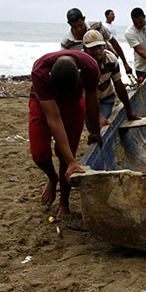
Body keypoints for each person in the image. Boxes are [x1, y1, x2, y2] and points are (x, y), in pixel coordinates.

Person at [28, 49, 103, 219]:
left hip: (74, 104)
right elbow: (53, 119)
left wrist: (95, 132)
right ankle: (53, 178)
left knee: (65, 156)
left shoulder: (90, 67)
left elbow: (92, 102)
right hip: (44, 104)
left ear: (79, 73)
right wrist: (72, 162)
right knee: (39, 154)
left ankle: (64, 203)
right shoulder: (40, 71)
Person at [82, 29, 139, 127]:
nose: (97, 51)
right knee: (93, 125)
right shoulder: (81, 64)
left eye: (100, 47)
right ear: (85, 49)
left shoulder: (111, 60)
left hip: (106, 97)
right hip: (88, 101)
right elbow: (83, 93)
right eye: (93, 48)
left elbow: (119, 85)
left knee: (102, 125)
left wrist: (129, 110)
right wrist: (97, 116)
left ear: (104, 45)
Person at [61, 8, 133, 76]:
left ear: (84, 19)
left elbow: (113, 42)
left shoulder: (97, 26)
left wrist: (125, 63)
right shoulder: (67, 42)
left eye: (80, 25)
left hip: (104, 67)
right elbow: (65, 62)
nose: (79, 29)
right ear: (69, 24)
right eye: (75, 27)